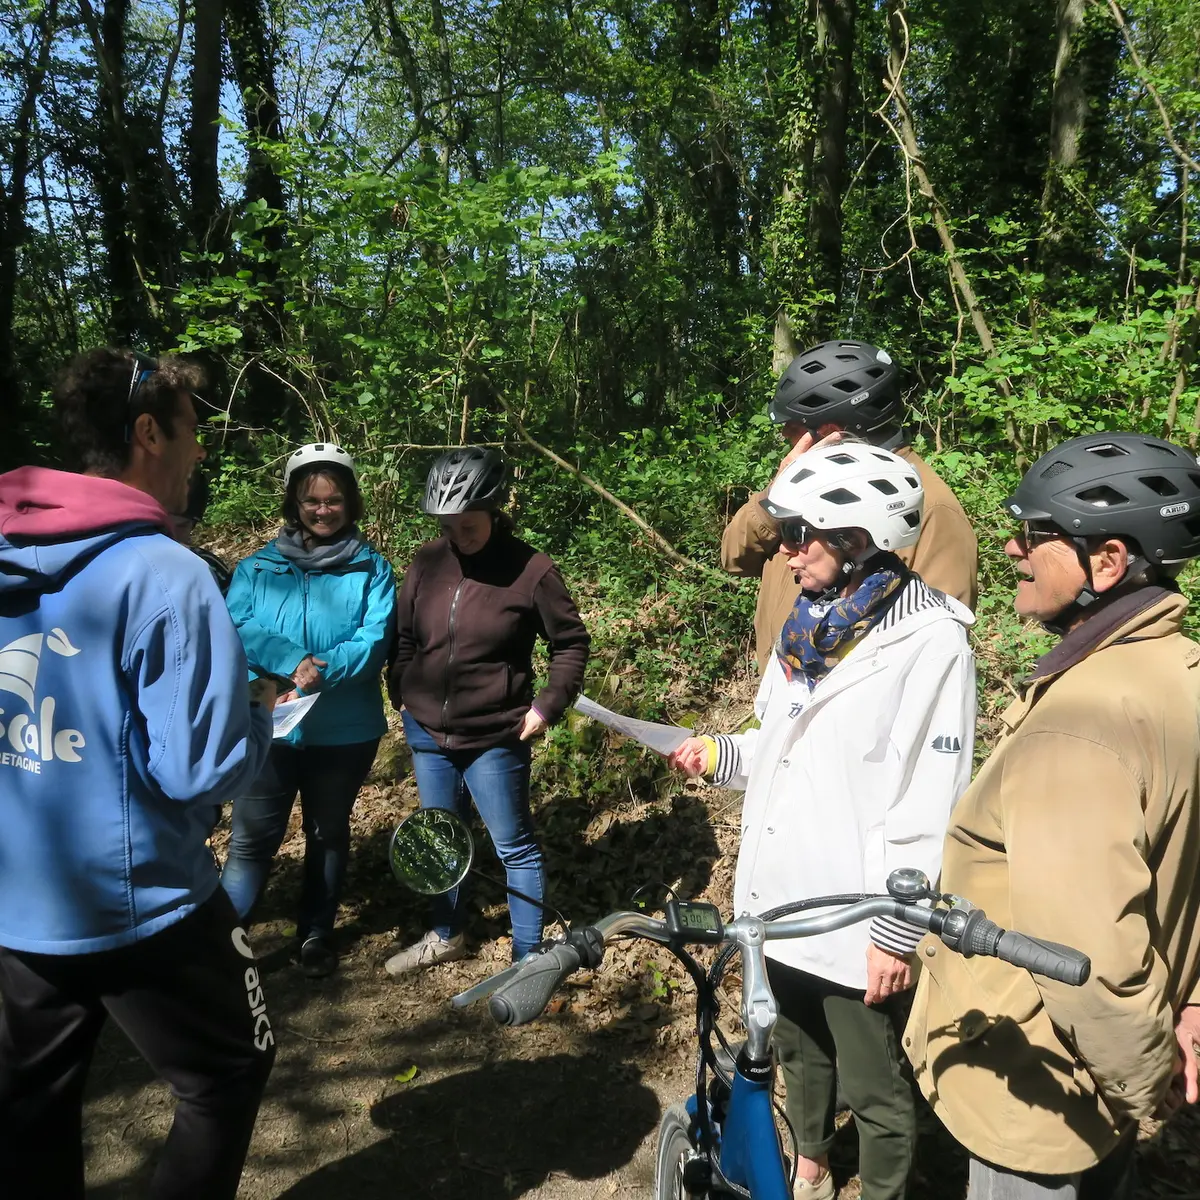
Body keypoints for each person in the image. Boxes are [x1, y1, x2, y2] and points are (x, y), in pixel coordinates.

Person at [0, 348, 277, 1200]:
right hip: (142, 904)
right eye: (194, 434)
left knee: (29, 1110)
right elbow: (201, 771)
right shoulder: (165, 572)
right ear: (148, 433)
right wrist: (260, 712)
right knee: (233, 1066)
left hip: (17, 901)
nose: (201, 456)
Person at [671, 442, 976, 1200]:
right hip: (780, 888)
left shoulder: (932, 639)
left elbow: (930, 796)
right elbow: (776, 744)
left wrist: (898, 929)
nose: (784, 548)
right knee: (796, 1049)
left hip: (858, 906)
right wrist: (720, 755)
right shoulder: (806, 626)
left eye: (800, 534)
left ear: (857, 539)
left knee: (874, 1084)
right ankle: (809, 1166)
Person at [905, 431, 1200, 1200]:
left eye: (1036, 535)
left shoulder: (1080, 726)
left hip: (1048, 1084)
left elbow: (1088, 959)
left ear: (1105, 562)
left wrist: (1143, 1087)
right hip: (1118, 1052)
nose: (1010, 549)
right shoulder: (1179, 673)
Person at [385, 447, 590, 974]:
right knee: (438, 838)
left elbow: (569, 643)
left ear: (495, 509)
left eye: (467, 524)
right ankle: (446, 933)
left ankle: (528, 961)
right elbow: (404, 636)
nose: (457, 535)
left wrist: (546, 707)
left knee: (514, 848)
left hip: (496, 736)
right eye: (447, 525)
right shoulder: (427, 563)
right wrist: (402, 689)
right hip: (428, 730)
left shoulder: (532, 570)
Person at [222, 443, 397, 979]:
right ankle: (226, 943)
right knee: (251, 838)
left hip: (344, 729)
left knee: (327, 831)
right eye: (311, 500)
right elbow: (235, 627)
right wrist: (292, 663)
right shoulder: (256, 568)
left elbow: (374, 640)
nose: (323, 510)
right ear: (294, 503)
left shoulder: (374, 568)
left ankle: (316, 934)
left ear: (351, 503)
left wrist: (321, 671)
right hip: (267, 723)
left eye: (334, 500)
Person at [723, 339, 978, 672]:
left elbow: (930, 653)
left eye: (795, 426)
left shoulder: (929, 508)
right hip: (786, 692)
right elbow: (734, 557)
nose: (784, 433)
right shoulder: (805, 482)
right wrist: (777, 492)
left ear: (832, 433)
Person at [170, 467, 233, 594]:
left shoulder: (210, 568)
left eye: (181, 526)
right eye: (161, 525)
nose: (170, 533)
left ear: (193, 526)